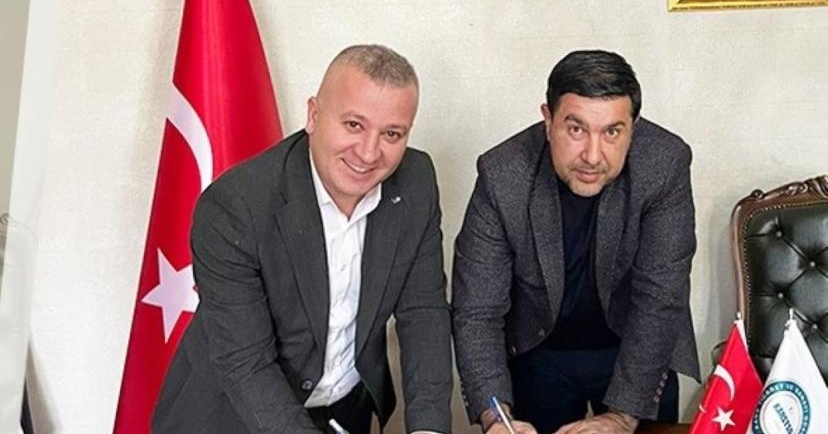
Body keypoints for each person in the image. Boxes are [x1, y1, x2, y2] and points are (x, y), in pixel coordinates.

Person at [153, 45, 452, 433]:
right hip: (234, 417)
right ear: (313, 115)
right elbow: (247, 365)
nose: (368, 153)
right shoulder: (235, 206)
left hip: (343, 414)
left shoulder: (416, 181)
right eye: (354, 125)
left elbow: (424, 313)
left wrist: (428, 429)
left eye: (391, 134)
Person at [451, 50, 700, 434]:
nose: (592, 155)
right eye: (576, 129)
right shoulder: (502, 174)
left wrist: (621, 418)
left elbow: (660, 298)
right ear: (548, 120)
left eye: (612, 132)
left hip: (634, 344)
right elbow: (477, 310)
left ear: (633, 128)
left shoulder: (664, 163)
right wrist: (496, 418)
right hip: (539, 347)